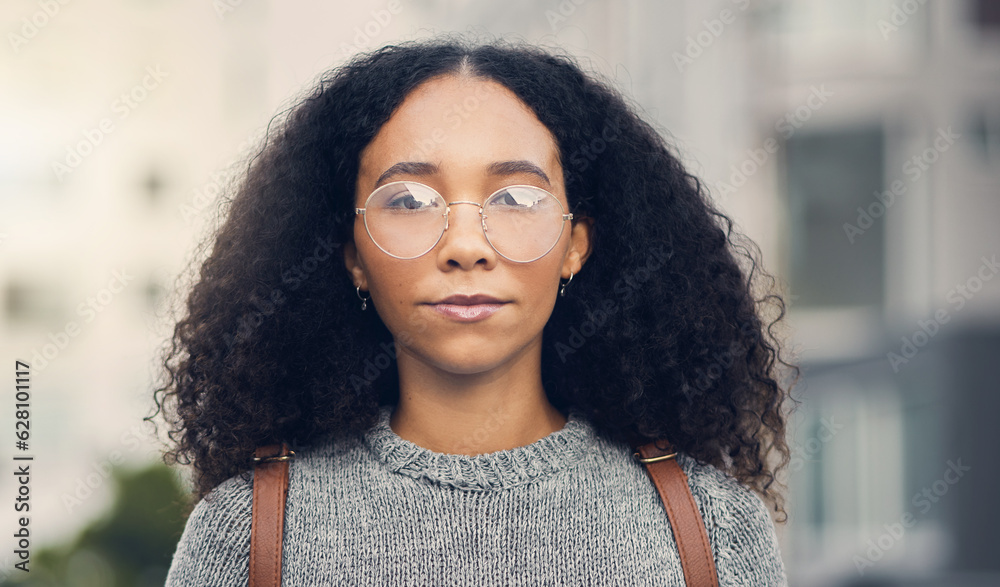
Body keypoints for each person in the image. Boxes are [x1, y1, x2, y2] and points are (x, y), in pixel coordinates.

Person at [154, 33, 798, 586]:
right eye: (408, 200)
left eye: (516, 198)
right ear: (351, 255)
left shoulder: (710, 526)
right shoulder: (250, 530)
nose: (466, 246)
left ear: (577, 244)